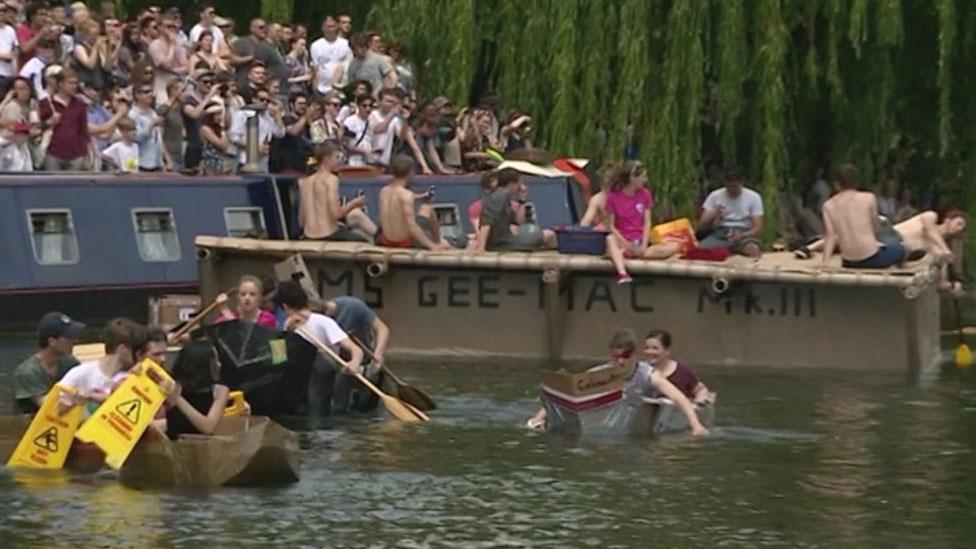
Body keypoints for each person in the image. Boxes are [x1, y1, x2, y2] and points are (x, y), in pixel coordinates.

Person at [527, 330, 709, 437]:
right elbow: (566, 392)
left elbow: (679, 397)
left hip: (634, 418)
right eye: (616, 357)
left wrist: (696, 426)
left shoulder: (648, 374)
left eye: (625, 356)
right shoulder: (601, 373)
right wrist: (539, 418)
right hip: (607, 422)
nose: (620, 361)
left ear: (634, 355)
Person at [276, 280, 365, 415]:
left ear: (285, 307)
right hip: (298, 385)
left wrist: (354, 363)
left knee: (319, 359)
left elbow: (356, 350)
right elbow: (278, 360)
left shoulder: (324, 322)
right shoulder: (284, 328)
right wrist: (286, 334)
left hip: (322, 381)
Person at [603, 160, 681, 284]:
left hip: (639, 240)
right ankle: (622, 272)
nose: (645, 180)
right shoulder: (613, 198)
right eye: (643, 176)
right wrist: (626, 243)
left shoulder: (645, 194)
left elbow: (647, 222)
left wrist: (643, 244)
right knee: (610, 239)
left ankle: (635, 254)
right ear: (632, 178)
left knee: (675, 245)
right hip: (621, 240)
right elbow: (611, 226)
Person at [820, 164, 907, 269]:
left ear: (837, 184)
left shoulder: (828, 205)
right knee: (900, 249)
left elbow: (830, 237)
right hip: (872, 259)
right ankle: (900, 265)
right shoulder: (868, 198)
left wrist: (825, 261)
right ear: (856, 182)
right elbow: (876, 228)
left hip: (848, 262)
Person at [59, 318, 147, 414]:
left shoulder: (129, 380)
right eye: (139, 353)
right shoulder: (81, 373)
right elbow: (53, 409)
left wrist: (91, 396)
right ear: (123, 349)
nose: (141, 359)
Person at [298, 141, 376, 241]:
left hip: (308, 236)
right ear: (327, 158)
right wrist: (355, 202)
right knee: (363, 240)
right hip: (328, 235)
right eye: (337, 157)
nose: (339, 161)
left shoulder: (304, 182)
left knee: (352, 219)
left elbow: (301, 221)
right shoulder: (331, 180)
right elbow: (336, 214)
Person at [12, 311, 84, 414]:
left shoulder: (69, 363)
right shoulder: (27, 373)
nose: (75, 340)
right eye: (69, 337)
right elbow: (50, 407)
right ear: (52, 342)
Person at [377, 155, 449, 250]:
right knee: (428, 208)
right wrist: (432, 246)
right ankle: (438, 242)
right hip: (403, 243)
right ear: (410, 173)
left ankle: (439, 242)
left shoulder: (383, 191)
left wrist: (419, 196)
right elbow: (412, 227)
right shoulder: (406, 195)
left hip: (385, 241)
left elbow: (397, 198)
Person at [476, 167, 556, 251]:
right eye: (519, 183)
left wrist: (521, 200)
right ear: (512, 183)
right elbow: (486, 222)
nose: (521, 186)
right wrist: (481, 248)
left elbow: (519, 221)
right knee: (550, 235)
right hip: (502, 244)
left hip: (506, 239)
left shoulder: (504, 198)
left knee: (547, 235)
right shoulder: (498, 197)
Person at [164, 340, 231, 439]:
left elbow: (208, 427)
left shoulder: (220, 391)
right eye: (214, 361)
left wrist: (178, 399)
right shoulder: (175, 386)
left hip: (202, 448)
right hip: (173, 446)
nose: (219, 365)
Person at [696, 167, 764, 257]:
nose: (732, 189)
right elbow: (701, 225)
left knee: (752, 249)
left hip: (743, 232)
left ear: (741, 183)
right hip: (720, 232)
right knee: (700, 249)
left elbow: (758, 228)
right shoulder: (715, 196)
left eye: (735, 186)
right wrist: (714, 214)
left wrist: (742, 235)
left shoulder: (754, 197)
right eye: (729, 186)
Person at [643, 330, 714, 405]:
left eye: (655, 348)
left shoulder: (682, 371)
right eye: (647, 348)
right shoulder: (640, 370)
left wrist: (699, 401)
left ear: (667, 350)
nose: (649, 352)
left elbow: (700, 390)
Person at [38, 69, 90, 170]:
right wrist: (49, 122)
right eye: (71, 83)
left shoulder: (80, 104)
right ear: (61, 84)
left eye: (76, 83)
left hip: (76, 155)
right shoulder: (47, 103)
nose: (74, 86)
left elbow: (83, 129)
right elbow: (36, 128)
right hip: (53, 153)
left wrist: (82, 151)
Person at [321, 295, 390, 368]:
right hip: (336, 361)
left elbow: (382, 329)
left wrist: (378, 353)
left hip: (364, 358)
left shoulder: (353, 306)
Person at [129, 83, 167, 171]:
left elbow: (159, 139)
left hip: (157, 163)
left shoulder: (153, 113)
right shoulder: (133, 115)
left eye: (151, 92)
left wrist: (166, 160)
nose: (150, 95)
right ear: (137, 95)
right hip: (141, 163)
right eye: (146, 92)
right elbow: (137, 138)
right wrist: (152, 124)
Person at [309, 16, 350, 97]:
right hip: (320, 88)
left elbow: (347, 65)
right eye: (328, 27)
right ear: (323, 28)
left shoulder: (345, 44)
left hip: (338, 88)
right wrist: (314, 87)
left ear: (337, 27)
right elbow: (315, 67)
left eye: (333, 26)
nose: (330, 29)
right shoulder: (315, 45)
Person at [345, 32, 395, 97]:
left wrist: (388, 91)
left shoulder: (379, 59)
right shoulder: (353, 63)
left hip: (377, 97)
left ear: (366, 45)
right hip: (361, 100)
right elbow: (351, 83)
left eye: (359, 48)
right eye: (353, 49)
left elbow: (392, 76)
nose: (356, 52)